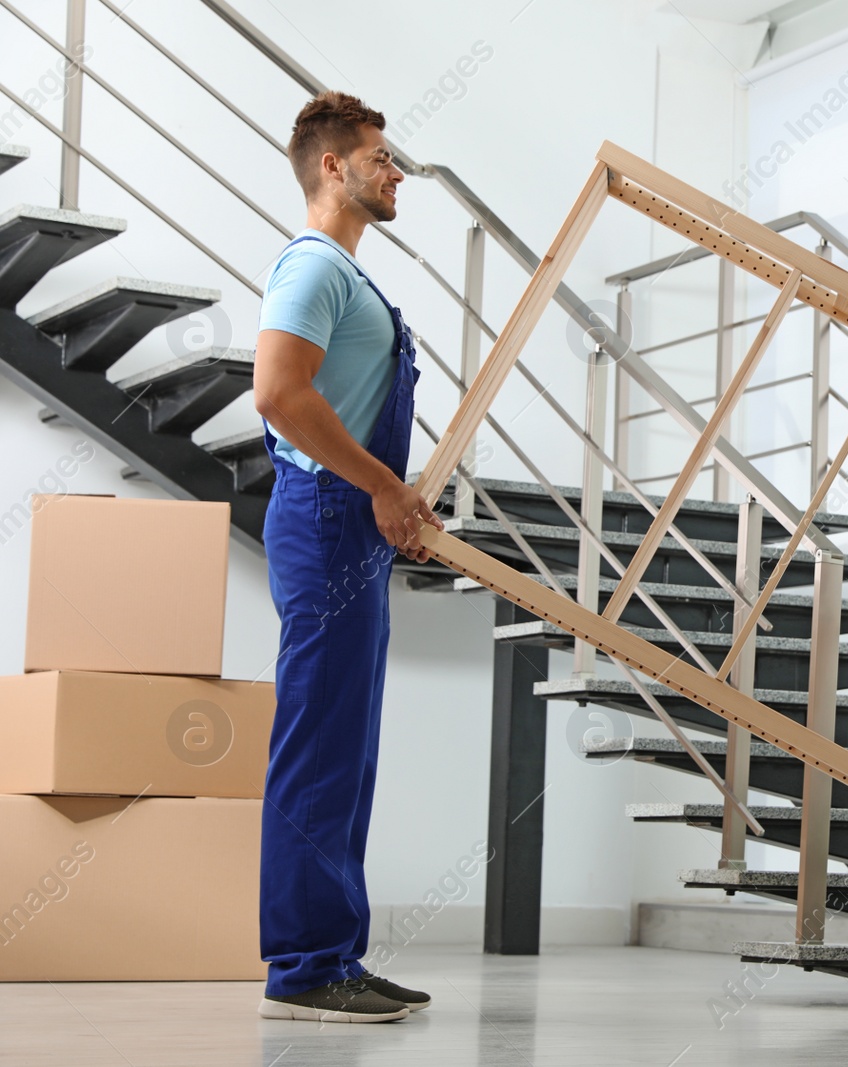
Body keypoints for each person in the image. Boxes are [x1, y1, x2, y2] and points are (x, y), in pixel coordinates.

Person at [251, 90, 444, 1024]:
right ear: (333, 166)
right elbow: (280, 394)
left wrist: (392, 492)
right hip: (328, 517)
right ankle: (303, 963)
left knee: (345, 745)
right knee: (320, 743)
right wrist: (379, 483)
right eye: (379, 156)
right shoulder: (314, 267)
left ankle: (333, 952)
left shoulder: (350, 277)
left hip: (347, 522)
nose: (395, 170)